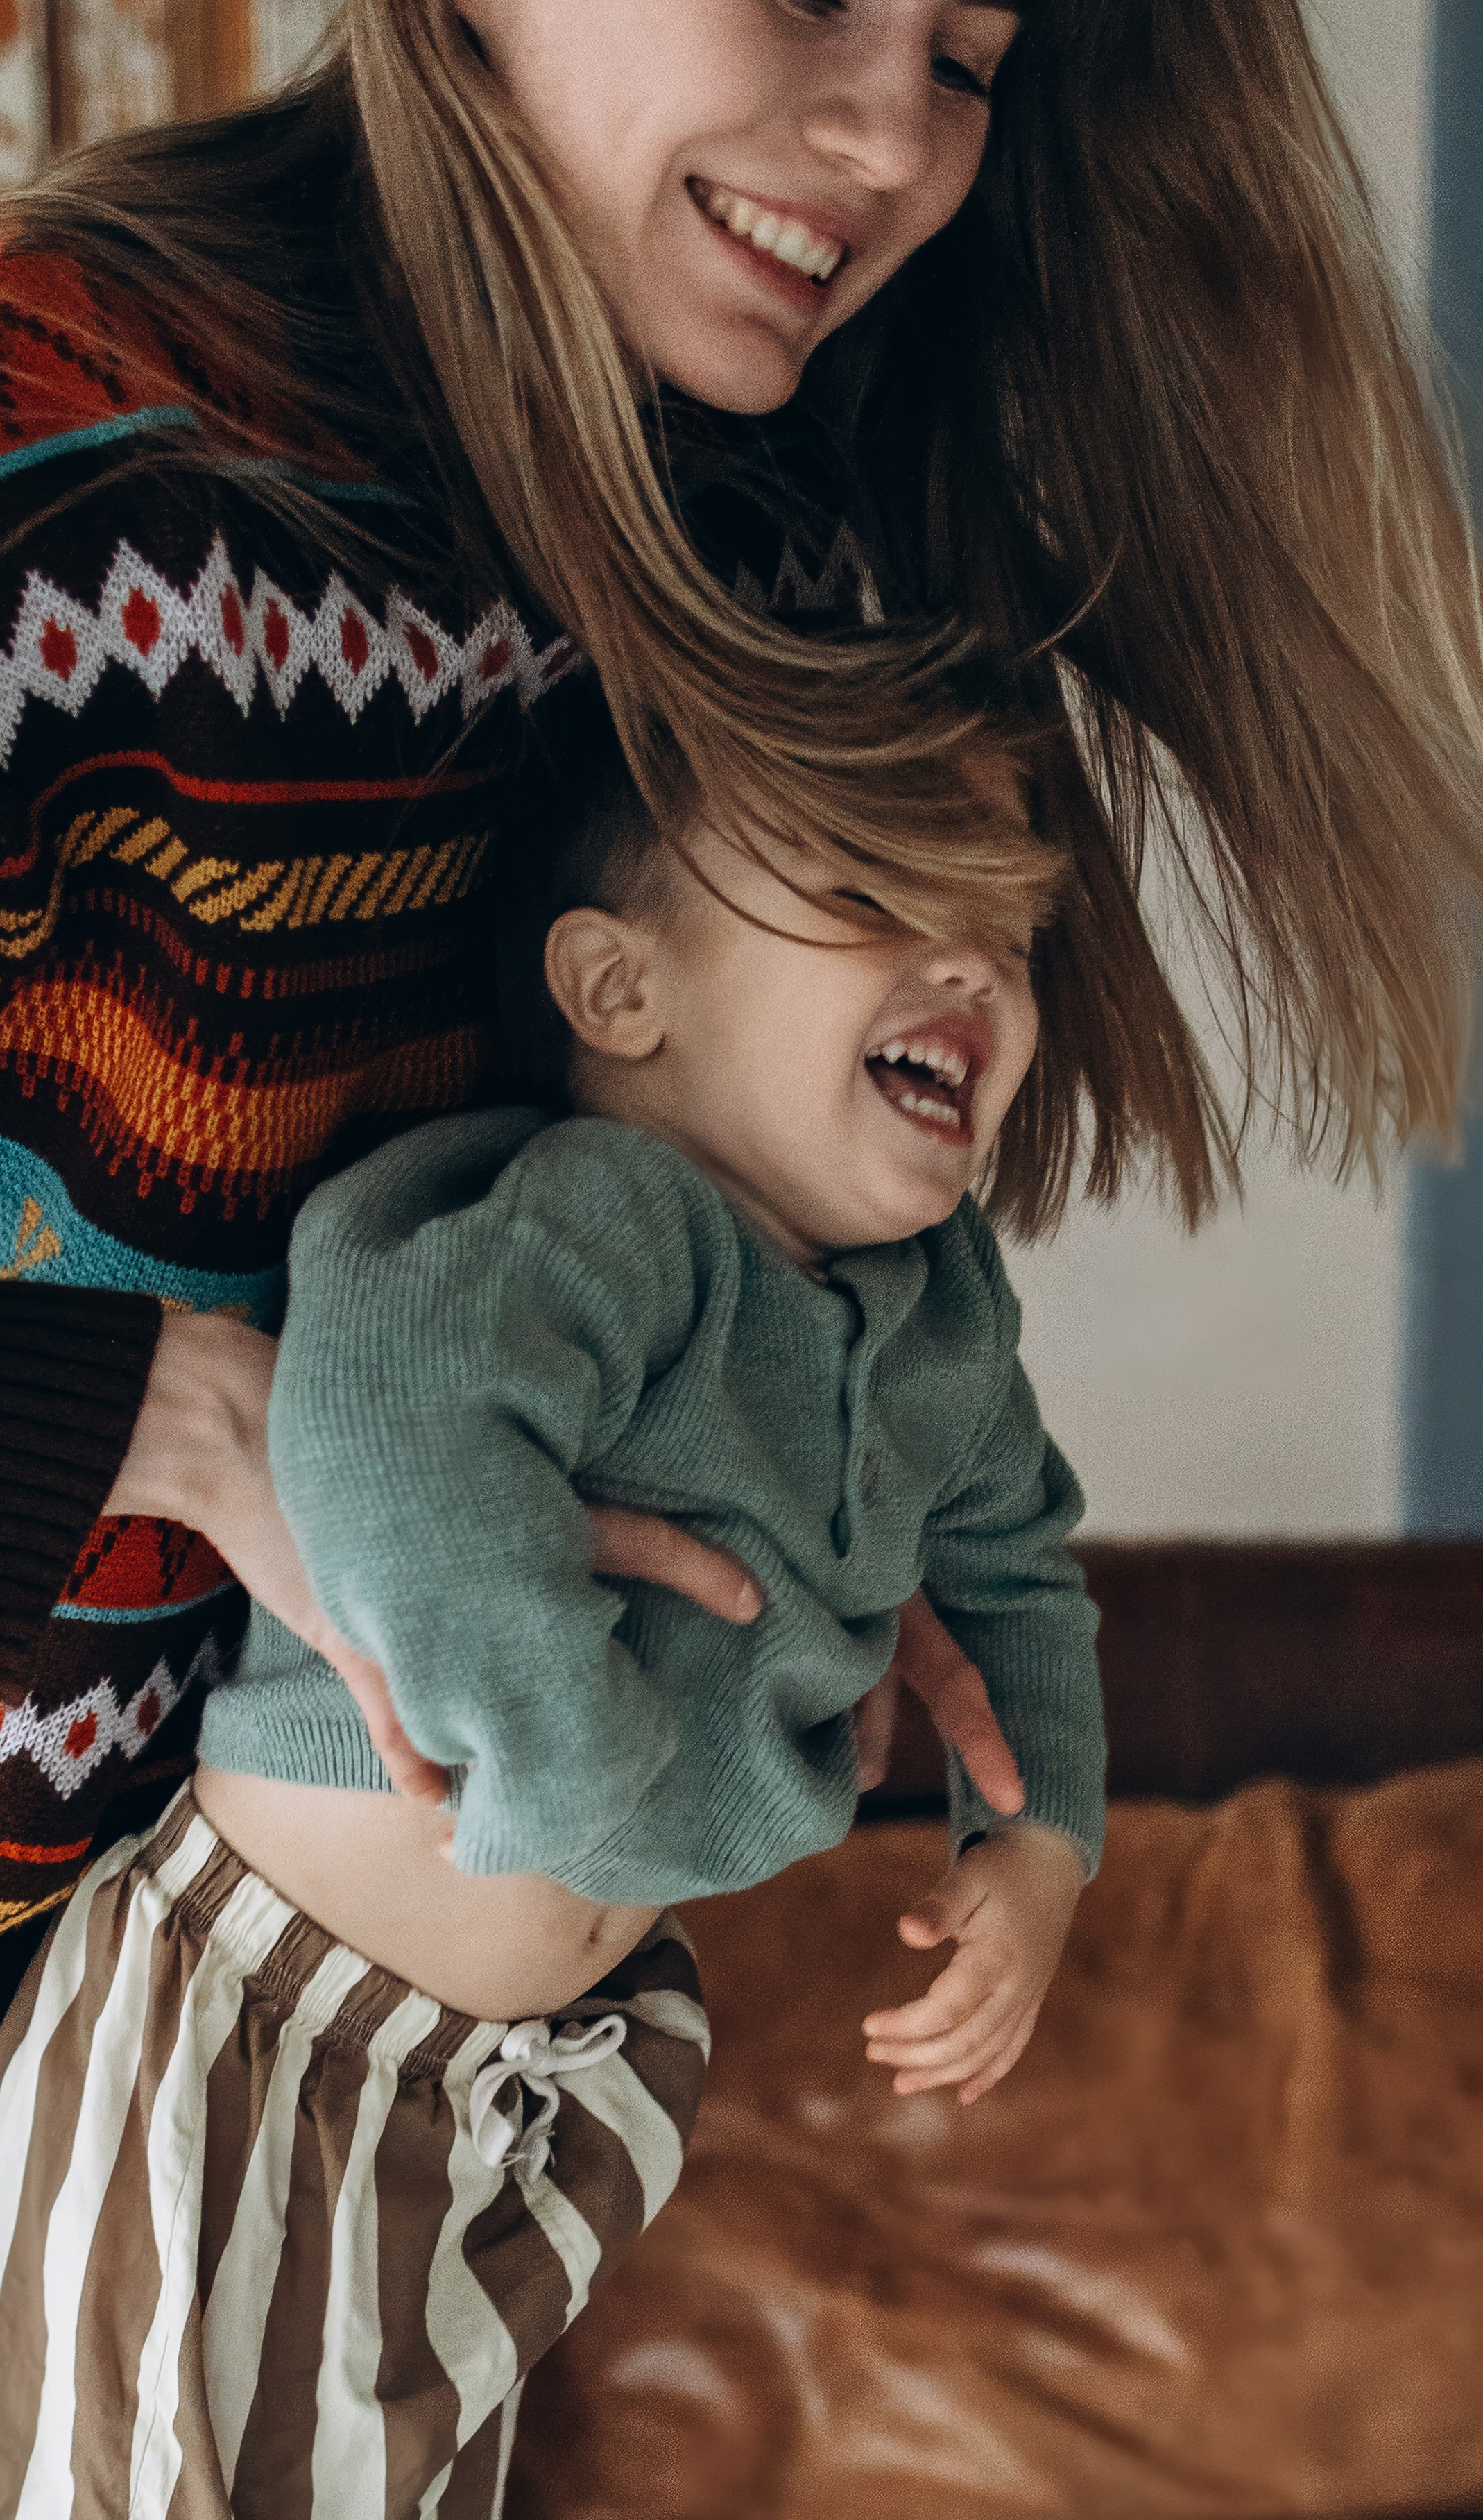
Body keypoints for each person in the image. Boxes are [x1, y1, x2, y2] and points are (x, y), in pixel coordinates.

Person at [0, 0, 1483, 2501]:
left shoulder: (724, 547)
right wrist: (139, 1407)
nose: (897, 140)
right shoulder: (60, 453)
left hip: (406, 2042)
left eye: (970, 54)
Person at [2, 690, 1125, 2505]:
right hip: (255, 2027)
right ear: (620, 991)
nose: (972, 965)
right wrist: (572, 1768)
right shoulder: (605, 1219)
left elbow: (1020, 1579)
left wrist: (1042, 1843)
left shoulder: (946, 1321)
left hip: (497, 2079)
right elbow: (389, 1425)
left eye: (1008, 926)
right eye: (875, 891)